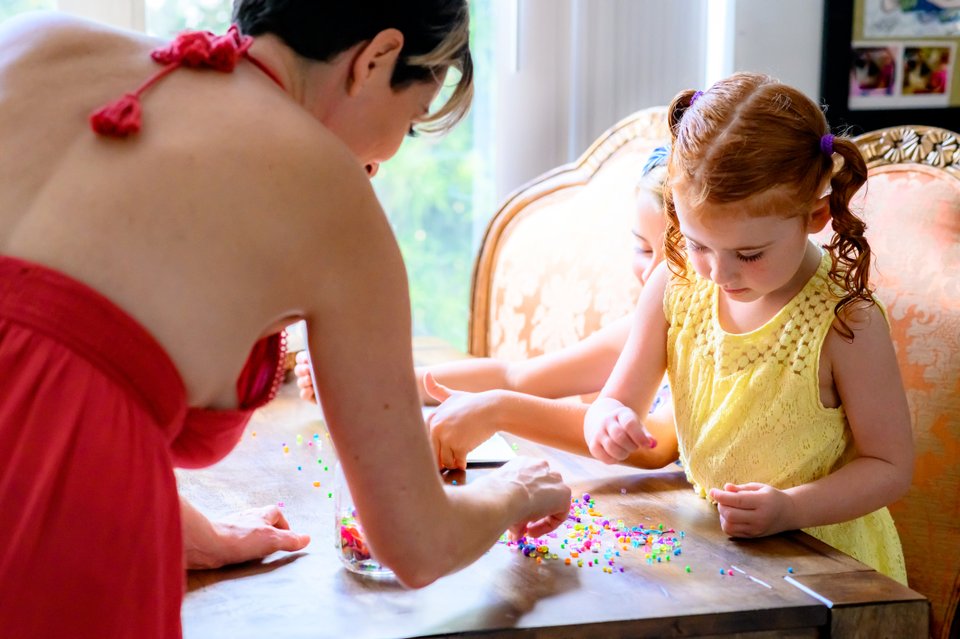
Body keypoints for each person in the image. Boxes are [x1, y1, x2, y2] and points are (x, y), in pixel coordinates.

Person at [0, 4, 571, 638]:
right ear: (377, 58)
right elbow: (417, 542)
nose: (384, 161)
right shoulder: (333, 194)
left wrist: (189, 530)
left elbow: (44, 379)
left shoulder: (35, 41)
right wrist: (517, 490)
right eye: (410, 121)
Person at [584, 72, 913, 584]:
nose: (719, 273)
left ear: (815, 215)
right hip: (716, 548)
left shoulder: (845, 321)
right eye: (698, 244)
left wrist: (791, 508)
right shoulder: (676, 282)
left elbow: (889, 467)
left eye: (750, 254)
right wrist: (607, 422)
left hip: (824, 562)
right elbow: (616, 400)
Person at [294, 145, 678, 471]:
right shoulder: (641, 326)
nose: (654, 275)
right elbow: (515, 377)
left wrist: (496, 411)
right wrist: (373, 383)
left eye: (678, 260)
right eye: (643, 249)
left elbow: (656, 443)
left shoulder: (702, 335)